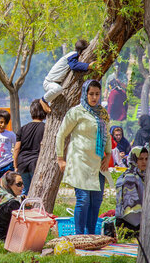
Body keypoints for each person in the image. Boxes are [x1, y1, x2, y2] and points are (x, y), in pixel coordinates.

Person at [56, 79, 113, 235]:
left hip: (98, 164)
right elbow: (61, 134)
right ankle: (79, 236)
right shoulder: (76, 112)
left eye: (97, 94)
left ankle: (91, 235)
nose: (94, 97)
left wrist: (108, 155)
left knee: (96, 201)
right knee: (83, 200)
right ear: (85, 94)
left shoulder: (103, 113)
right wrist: (60, 158)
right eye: (91, 94)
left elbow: (107, 135)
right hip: (79, 161)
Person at [40, 39, 95, 113]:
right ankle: (43, 100)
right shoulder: (73, 55)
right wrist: (88, 66)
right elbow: (74, 66)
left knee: (58, 90)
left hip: (55, 83)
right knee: (58, 89)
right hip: (50, 83)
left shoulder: (73, 55)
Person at [12, 99, 46, 195]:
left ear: (31, 112)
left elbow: (16, 149)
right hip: (35, 163)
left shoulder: (23, 128)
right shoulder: (46, 128)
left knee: (25, 190)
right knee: (36, 191)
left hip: (22, 163)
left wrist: (15, 165)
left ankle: (22, 208)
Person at [115, 146, 148, 234]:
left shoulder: (146, 176)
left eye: (146, 158)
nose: (144, 162)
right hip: (129, 222)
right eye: (140, 159)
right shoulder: (130, 177)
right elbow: (131, 209)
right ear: (134, 159)